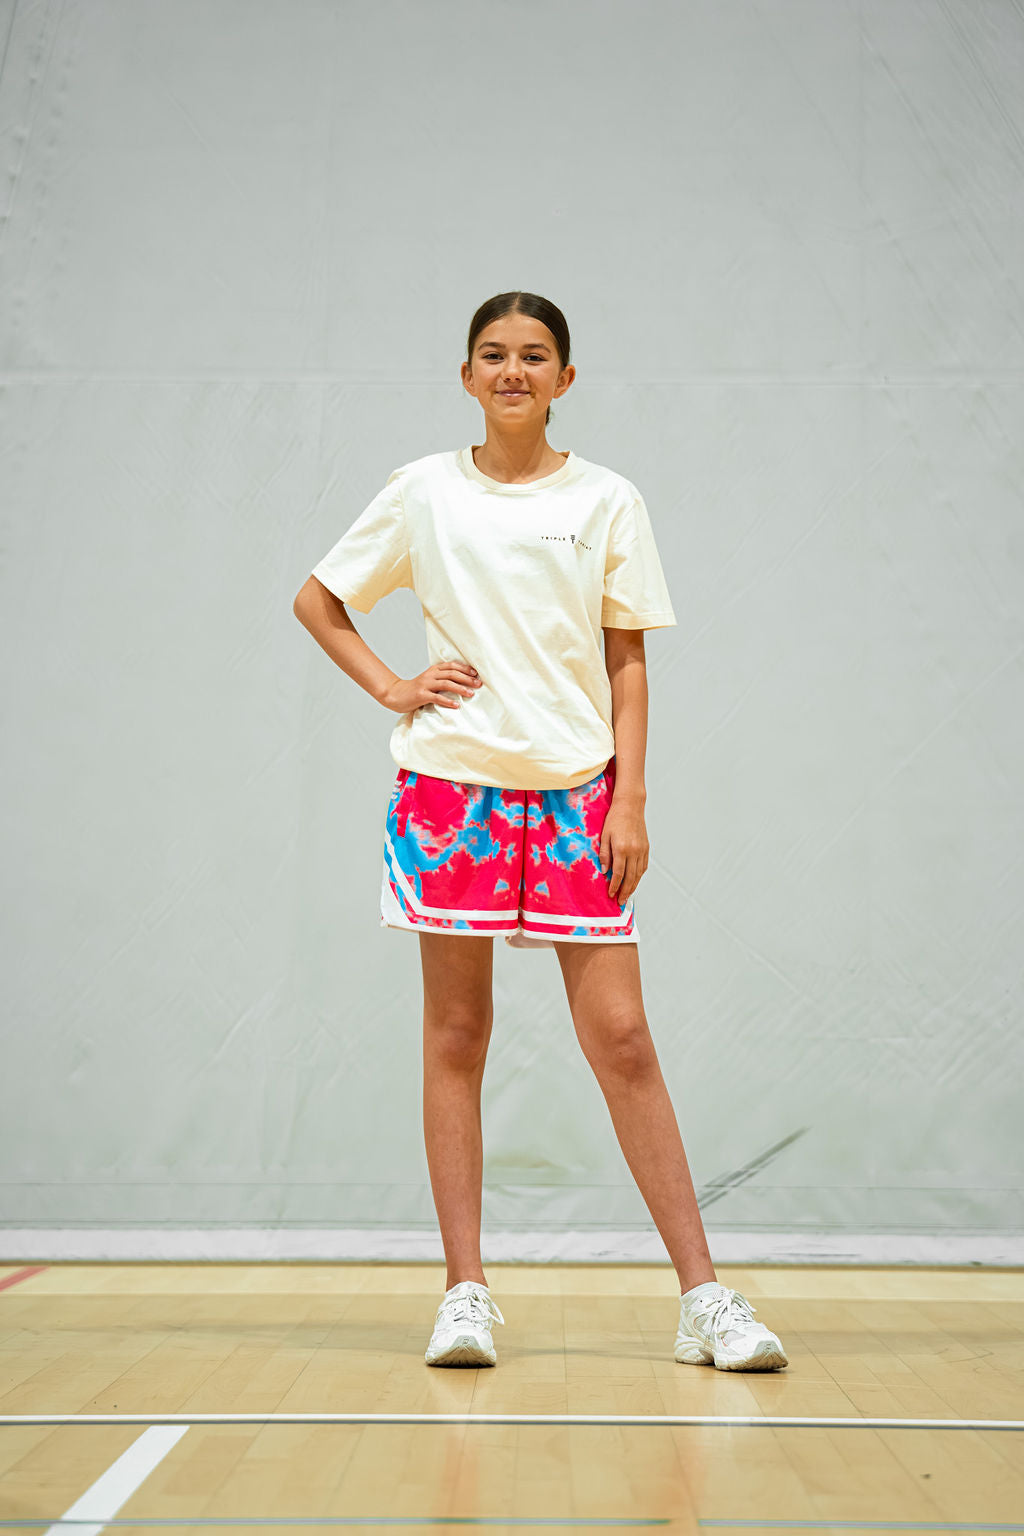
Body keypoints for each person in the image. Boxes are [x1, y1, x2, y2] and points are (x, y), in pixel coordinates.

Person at [293, 290, 788, 1374]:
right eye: (492, 354)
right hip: (450, 796)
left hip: (575, 800)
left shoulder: (608, 500)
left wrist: (631, 797)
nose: (512, 370)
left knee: (623, 1042)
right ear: (466, 375)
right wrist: (393, 685)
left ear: (565, 379)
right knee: (454, 1039)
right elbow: (321, 600)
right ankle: (464, 1292)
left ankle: (703, 1298)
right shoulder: (420, 491)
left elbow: (626, 660)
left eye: (534, 356)